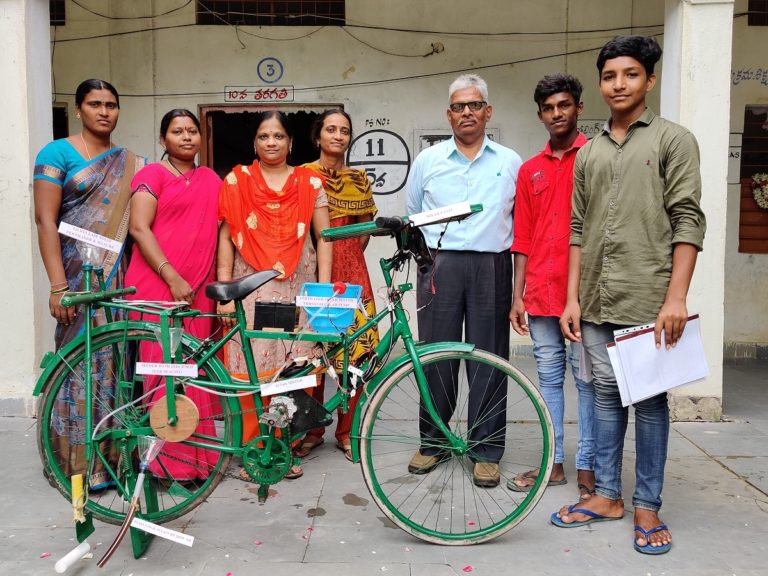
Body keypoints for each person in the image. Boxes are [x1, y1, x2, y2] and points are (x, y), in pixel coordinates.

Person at [551, 36, 706, 556]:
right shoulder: (589, 152)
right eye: (611, 76)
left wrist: (675, 298)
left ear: (650, 80)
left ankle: (647, 503)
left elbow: (688, 219)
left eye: (631, 74)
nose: (619, 84)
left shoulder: (673, 140)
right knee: (602, 396)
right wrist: (572, 298)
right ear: (601, 83)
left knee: (650, 401)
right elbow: (577, 229)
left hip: (648, 294)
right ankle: (610, 497)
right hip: (595, 296)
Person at [405, 74, 521, 488]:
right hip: (440, 265)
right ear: (448, 114)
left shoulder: (509, 162)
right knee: (437, 357)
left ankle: (486, 448)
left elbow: (518, 222)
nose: (466, 112)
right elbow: (414, 211)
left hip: (492, 265)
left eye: (474, 105)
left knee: (489, 358)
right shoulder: (429, 162)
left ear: (488, 112)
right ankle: (432, 442)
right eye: (459, 106)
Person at [33, 79, 145, 488]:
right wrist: (58, 286)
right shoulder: (56, 152)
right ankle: (72, 463)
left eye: (111, 105)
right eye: (95, 104)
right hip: (76, 279)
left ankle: (112, 460)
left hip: (116, 278)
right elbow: (45, 220)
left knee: (115, 363)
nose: (104, 111)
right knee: (76, 363)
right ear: (79, 109)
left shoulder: (131, 161)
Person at [217, 110, 332, 480]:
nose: (271, 142)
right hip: (250, 287)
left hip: (297, 286)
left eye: (278, 136)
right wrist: (223, 290)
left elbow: (324, 239)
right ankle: (255, 448)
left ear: (290, 142)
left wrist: (323, 292)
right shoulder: (237, 181)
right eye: (264, 136)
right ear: (255, 142)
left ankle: (284, 449)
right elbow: (226, 237)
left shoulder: (310, 182)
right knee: (251, 370)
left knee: (292, 370)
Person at [507, 74, 596, 501]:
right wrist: (517, 296)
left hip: (587, 295)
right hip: (541, 292)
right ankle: (554, 462)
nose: (556, 113)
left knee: (588, 382)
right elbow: (521, 237)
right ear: (540, 114)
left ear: (578, 107)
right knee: (548, 380)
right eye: (548, 107)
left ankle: (589, 467)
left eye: (564, 105)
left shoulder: (596, 157)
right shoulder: (530, 170)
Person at [124, 109, 222, 480]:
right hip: (158, 288)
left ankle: (201, 461)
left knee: (194, 374)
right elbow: (139, 228)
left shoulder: (211, 179)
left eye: (192, 131)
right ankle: (166, 465)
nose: (186, 137)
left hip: (197, 291)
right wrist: (171, 276)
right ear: (163, 138)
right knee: (163, 375)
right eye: (177, 131)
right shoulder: (152, 175)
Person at [301, 109, 379, 462]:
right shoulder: (302, 176)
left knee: (356, 353)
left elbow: (363, 229)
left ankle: (346, 430)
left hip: (353, 272)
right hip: (312, 270)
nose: (338, 136)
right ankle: (312, 429)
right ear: (317, 136)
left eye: (344, 131)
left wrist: (347, 259)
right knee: (311, 355)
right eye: (330, 130)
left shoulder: (360, 179)